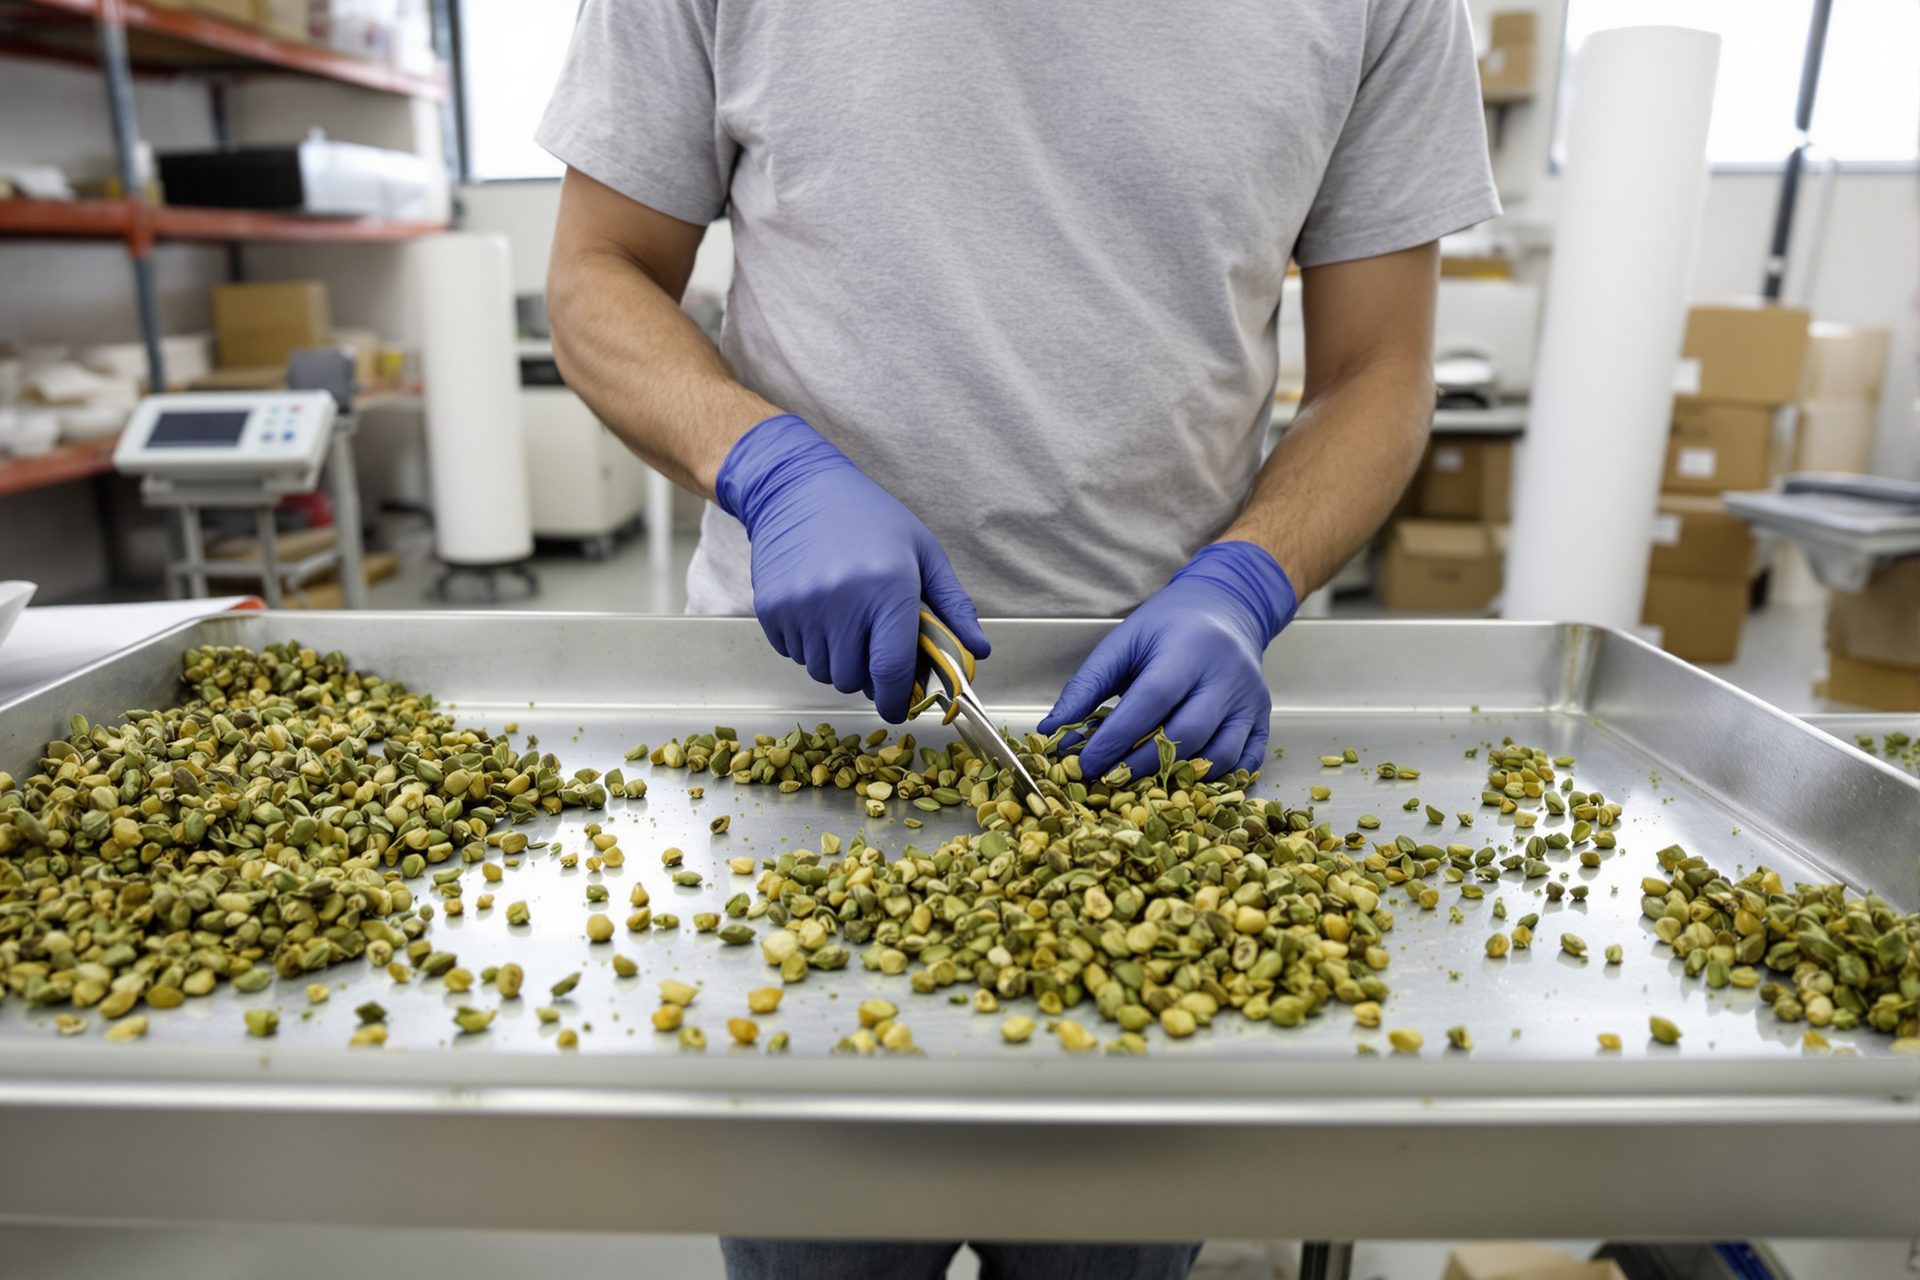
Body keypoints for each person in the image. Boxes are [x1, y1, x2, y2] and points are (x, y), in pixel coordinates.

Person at [540, 1, 1497, 1274]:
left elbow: (1380, 366)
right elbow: (597, 272)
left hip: (1152, 743)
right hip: (801, 735)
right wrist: (763, 464)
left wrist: (1250, 580)